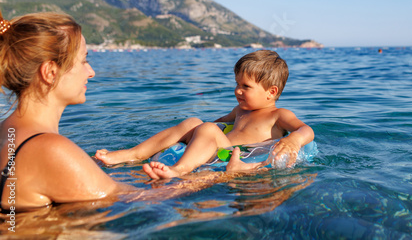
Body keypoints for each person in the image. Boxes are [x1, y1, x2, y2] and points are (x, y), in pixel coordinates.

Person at [95, 50, 315, 180]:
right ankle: (132, 154)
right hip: (219, 151)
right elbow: (215, 125)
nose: (237, 90)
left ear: (271, 92)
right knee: (194, 122)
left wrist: (294, 139)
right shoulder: (240, 110)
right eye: (236, 84)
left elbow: (306, 130)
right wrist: (196, 132)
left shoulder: (278, 115)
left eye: (245, 86)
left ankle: (178, 170)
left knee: (206, 128)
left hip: (238, 156)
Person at [0, 11, 134, 212]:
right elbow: (145, 200)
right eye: (83, 61)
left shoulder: (7, 132)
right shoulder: (48, 149)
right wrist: (196, 173)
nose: (91, 72)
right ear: (51, 72)